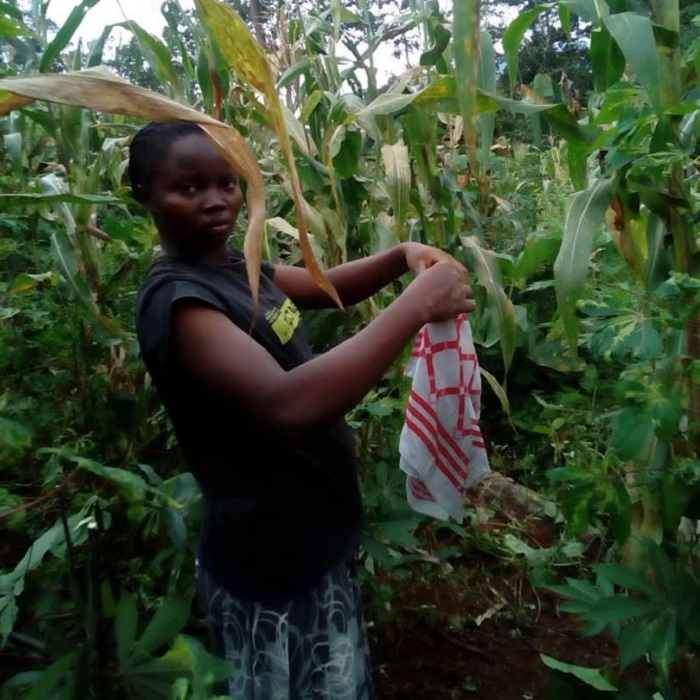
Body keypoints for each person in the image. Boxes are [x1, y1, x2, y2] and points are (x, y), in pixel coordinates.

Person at [131, 120, 475, 700]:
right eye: (187, 188)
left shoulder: (238, 270)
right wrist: (416, 305)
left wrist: (399, 257)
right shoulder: (182, 302)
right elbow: (289, 405)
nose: (216, 201)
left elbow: (326, 287)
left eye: (227, 183)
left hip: (311, 546)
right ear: (144, 195)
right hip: (269, 568)